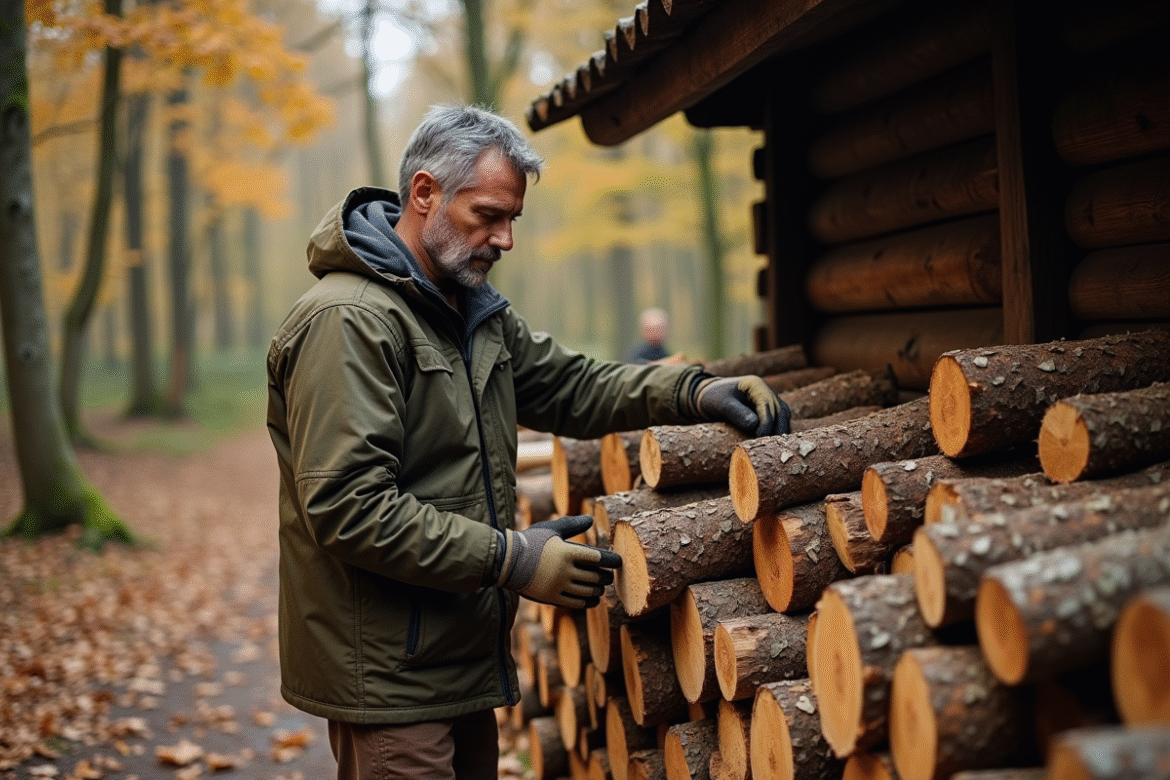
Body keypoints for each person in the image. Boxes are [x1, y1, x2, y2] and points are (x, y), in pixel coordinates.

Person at [265, 104, 791, 780]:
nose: (505, 239)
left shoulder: (468, 309)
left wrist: (690, 391)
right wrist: (512, 559)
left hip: (458, 654)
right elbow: (349, 509)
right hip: (390, 676)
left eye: (513, 218)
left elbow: (571, 385)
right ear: (425, 193)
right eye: (488, 215)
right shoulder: (349, 322)